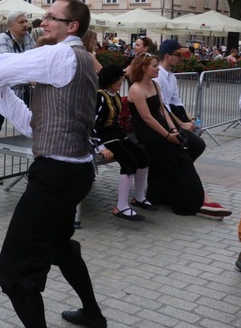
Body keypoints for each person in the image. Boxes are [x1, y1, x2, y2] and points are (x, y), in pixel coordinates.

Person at [0, 0, 106, 328]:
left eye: (52, 18)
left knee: (13, 273)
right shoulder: (78, 58)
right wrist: (3, 91)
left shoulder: (62, 54)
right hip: (75, 171)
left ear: (72, 26)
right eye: (44, 16)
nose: (43, 22)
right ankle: (93, 315)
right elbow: (38, 124)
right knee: (59, 246)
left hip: (55, 174)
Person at [127, 52, 231, 218]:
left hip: (161, 127)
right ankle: (198, 199)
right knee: (180, 157)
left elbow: (163, 110)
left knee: (191, 146)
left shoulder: (154, 85)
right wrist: (168, 136)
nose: (157, 69)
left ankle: (163, 192)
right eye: (154, 66)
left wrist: (173, 129)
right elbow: (147, 119)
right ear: (145, 68)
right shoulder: (136, 89)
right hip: (146, 132)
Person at [94, 65, 151, 221]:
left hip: (116, 134)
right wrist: (100, 146)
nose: (121, 81)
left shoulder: (115, 95)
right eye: (118, 79)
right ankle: (121, 206)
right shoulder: (99, 96)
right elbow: (93, 125)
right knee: (128, 160)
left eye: (121, 78)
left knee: (143, 155)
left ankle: (138, 197)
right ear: (109, 80)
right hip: (104, 136)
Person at [0, 9, 35, 174]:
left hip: (20, 90)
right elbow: (8, 63)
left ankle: (36, 166)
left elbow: (33, 59)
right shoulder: (2, 38)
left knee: (33, 124)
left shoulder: (27, 38)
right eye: (21, 22)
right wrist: (27, 70)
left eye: (26, 21)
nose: (26, 25)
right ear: (11, 25)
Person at [155, 39, 205, 162]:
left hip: (171, 120)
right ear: (167, 56)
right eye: (178, 55)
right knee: (195, 145)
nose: (181, 58)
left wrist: (190, 120)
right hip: (162, 122)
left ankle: (179, 170)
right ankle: (179, 170)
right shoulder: (158, 77)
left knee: (196, 145)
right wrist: (181, 124)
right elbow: (163, 106)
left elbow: (176, 101)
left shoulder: (171, 76)